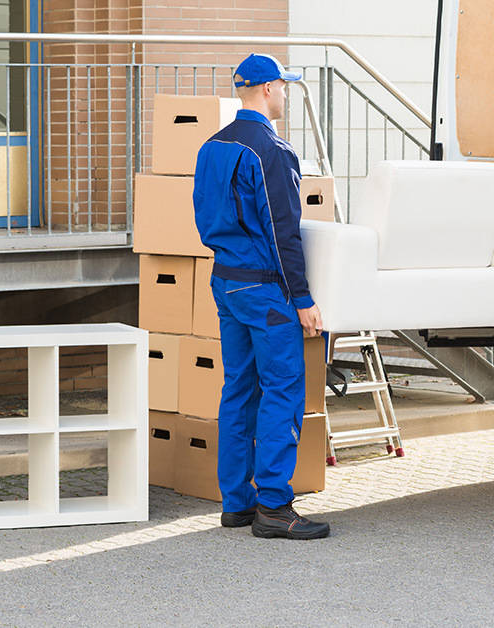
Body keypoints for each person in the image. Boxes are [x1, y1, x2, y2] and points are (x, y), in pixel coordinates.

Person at [192, 53, 329, 540]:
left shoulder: (211, 146)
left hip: (226, 280)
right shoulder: (271, 149)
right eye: (285, 86)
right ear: (269, 88)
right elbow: (283, 231)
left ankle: (236, 502)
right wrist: (304, 298)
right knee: (283, 390)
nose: (287, 94)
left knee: (239, 389)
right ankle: (274, 505)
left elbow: (205, 217)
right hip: (267, 289)